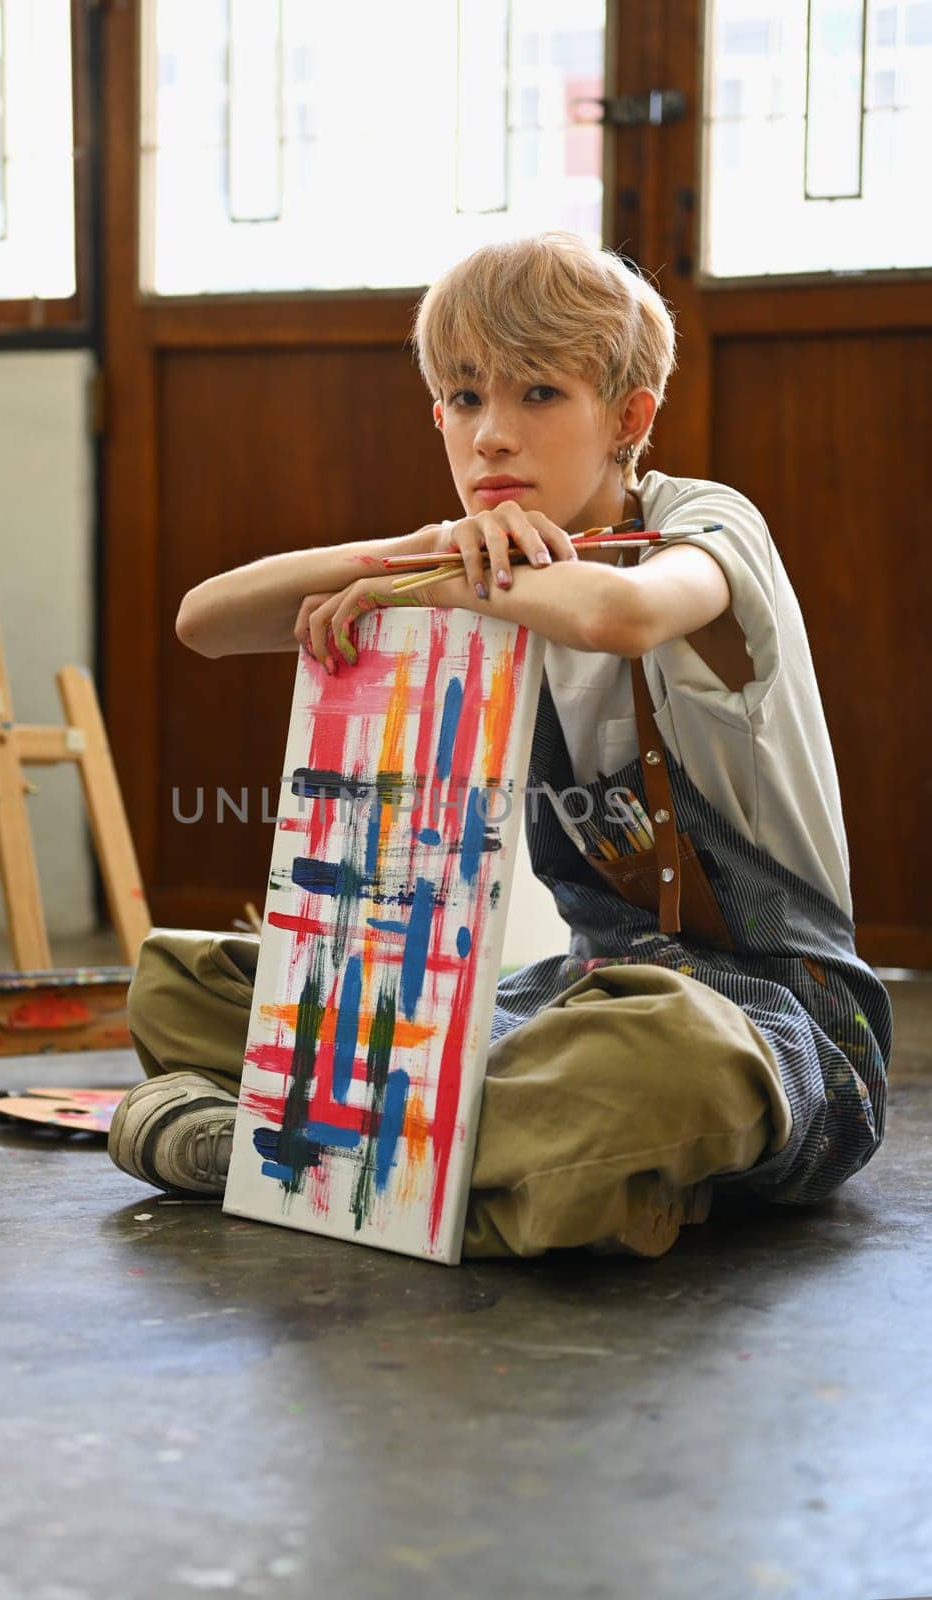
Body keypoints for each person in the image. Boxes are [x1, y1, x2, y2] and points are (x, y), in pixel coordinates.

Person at [107, 231, 891, 1258]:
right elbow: (205, 621)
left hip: (767, 1028)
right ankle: (502, 1168)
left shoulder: (704, 527)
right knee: (176, 978)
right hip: (570, 1004)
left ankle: (292, 1146)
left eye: (536, 395)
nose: (490, 438)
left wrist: (432, 585)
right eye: (466, 398)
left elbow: (618, 612)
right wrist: (409, 553)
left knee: (663, 1060)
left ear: (628, 417)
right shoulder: (484, 558)